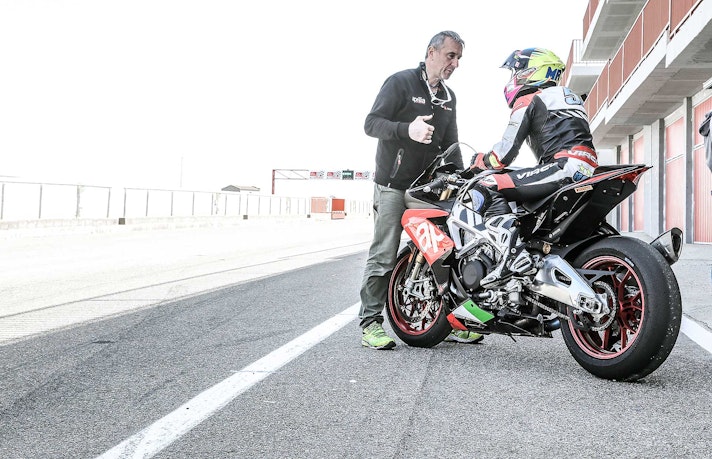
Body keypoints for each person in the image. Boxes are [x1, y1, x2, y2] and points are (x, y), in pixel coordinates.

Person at [359, 30, 484, 349]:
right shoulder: (400, 82)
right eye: (451, 56)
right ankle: (370, 323)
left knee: (442, 251)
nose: (455, 63)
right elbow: (371, 124)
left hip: (427, 188)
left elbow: (451, 143)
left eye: (459, 58)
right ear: (431, 52)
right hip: (392, 186)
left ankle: (450, 321)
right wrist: (407, 130)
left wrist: (463, 175)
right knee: (385, 255)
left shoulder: (449, 98)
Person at [468, 47, 599, 284]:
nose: (513, 78)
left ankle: (513, 257)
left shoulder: (530, 98)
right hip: (587, 167)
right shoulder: (569, 97)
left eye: (516, 71)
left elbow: (503, 155)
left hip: (563, 166)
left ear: (531, 72)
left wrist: (480, 161)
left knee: (487, 184)